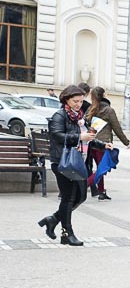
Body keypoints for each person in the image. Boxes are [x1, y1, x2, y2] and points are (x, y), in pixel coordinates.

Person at [37, 85, 112, 246]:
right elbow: (57, 135)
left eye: (81, 101)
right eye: (75, 101)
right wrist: (79, 136)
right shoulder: (59, 116)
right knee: (68, 198)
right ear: (66, 100)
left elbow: (87, 137)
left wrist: (103, 145)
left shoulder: (80, 117)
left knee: (81, 196)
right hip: (63, 162)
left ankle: (53, 219)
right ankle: (67, 233)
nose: (78, 104)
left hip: (78, 162)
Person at [86, 86, 130, 200]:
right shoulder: (109, 110)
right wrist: (126, 142)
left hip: (92, 142)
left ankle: (101, 191)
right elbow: (117, 128)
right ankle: (82, 186)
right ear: (104, 95)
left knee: (100, 167)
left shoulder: (91, 108)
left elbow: (86, 124)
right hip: (103, 145)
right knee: (101, 169)